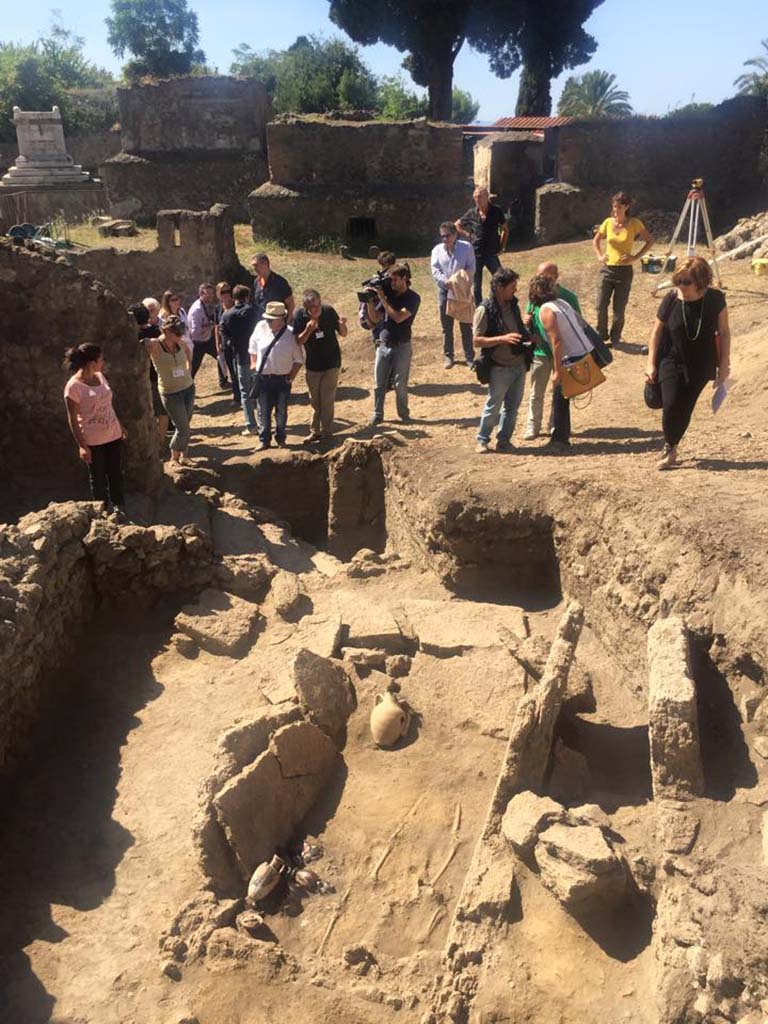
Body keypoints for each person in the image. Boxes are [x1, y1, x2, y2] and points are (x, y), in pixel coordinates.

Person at [645, 256, 730, 470]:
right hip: (671, 359)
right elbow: (656, 333)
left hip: (701, 363)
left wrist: (724, 364)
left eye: (686, 282)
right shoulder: (672, 299)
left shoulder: (715, 299)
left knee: (684, 408)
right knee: (670, 404)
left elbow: (724, 333)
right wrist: (650, 364)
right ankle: (670, 443)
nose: (681, 286)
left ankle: (671, 447)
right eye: (678, 281)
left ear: (700, 281)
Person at [531, 274, 597, 454]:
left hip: (570, 357)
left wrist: (557, 371)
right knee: (563, 398)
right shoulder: (562, 303)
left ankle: (560, 440)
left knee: (560, 397)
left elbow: (557, 341)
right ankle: (561, 436)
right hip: (581, 352)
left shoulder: (546, 310)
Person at [63, 343, 126, 514]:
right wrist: (82, 445)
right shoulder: (73, 387)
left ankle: (119, 505)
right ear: (92, 363)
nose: (103, 362)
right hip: (93, 440)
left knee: (115, 472)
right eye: (101, 360)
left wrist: (119, 425)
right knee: (98, 478)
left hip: (113, 434)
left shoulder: (100, 377)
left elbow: (108, 404)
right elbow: (73, 419)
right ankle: (103, 509)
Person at [473, 268, 529, 454]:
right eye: (512, 286)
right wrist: (502, 339)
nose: (515, 290)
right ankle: (482, 439)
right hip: (499, 367)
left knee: (512, 408)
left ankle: (504, 441)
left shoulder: (512, 304)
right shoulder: (484, 309)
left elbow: (518, 328)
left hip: (518, 365)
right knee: (493, 405)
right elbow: (476, 340)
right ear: (499, 287)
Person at [523, 262, 581, 440]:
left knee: (561, 392)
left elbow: (577, 323)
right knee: (536, 392)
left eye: (545, 277)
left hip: (562, 353)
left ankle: (555, 424)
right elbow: (528, 321)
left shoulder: (568, 297)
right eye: (538, 275)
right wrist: (526, 321)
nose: (540, 279)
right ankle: (533, 425)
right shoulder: (535, 295)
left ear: (556, 277)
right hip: (540, 352)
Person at [593, 191, 653, 346]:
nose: (615, 210)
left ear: (627, 207)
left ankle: (615, 338)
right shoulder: (607, 222)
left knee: (618, 310)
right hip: (607, 269)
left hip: (624, 272)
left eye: (619, 207)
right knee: (600, 306)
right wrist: (600, 255)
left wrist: (635, 257)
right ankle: (601, 335)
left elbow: (650, 241)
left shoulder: (634, 223)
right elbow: (596, 240)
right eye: (614, 206)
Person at [366, 265, 421, 426]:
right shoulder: (389, 294)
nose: (392, 283)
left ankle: (404, 414)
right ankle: (377, 414)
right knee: (379, 383)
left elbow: (398, 317)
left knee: (400, 384)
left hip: (402, 346)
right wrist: (370, 301)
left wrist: (382, 298)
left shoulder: (413, 298)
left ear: (405, 279)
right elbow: (375, 319)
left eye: (395, 280)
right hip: (383, 344)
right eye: (391, 280)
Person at [248, 301, 305, 450]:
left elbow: (299, 359)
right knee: (263, 412)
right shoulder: (260, 328)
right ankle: (264, 440)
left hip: (282, 379)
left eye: (271, 319)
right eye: (267, 319)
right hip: (264, 379)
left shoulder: (291, 335)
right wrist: (253, 364)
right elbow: (252, 347)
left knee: (281, 412)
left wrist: (291, 377)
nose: (268, 322)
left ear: (281, 319)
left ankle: (281, 439)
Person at [294, 288, 347, 443]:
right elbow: (298, 341)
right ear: (305, 307)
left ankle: (326, 431)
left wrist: (342, 324)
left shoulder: (329, 311)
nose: (315, 310)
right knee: (315, 400)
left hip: (332, 362)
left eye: (317, 306)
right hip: (312, 365)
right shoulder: (300, 316)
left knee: (327, 399)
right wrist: (308, 329)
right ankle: (315, 431)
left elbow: (343, 333)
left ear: (320, 302)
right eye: (310, 307)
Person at [145, 314, 195, 464]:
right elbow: (139, 346)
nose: (180, 336)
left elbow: (188, 354)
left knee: (186, 424)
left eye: (181, 332)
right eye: (177, 333)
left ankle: (184, 456)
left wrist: (188, 371)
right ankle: (174, 457)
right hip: (170, 392)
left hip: (188, 388)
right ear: (166, 331)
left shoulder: (182, 343)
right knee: (182, 427)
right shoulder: (155, 345)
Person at [430, 221, 476, 369]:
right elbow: (435, 270)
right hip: (445, 291)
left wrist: (460, 282)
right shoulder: (437, 250)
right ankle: (449, 356)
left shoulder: (466, 247)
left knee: (465, 325)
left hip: (462, 290)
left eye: (447, 236)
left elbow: (471, 267)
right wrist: (446, 282)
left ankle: (469, 357)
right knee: (446, 326)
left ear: (455, 234)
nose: (444, 239)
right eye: (442, 236)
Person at [456, 186, 508, 304]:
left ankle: (497, 303)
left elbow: (505, 229)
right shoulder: (472, 213)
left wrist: (502, 246)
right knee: (476, 286)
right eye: (475, 197)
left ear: (487, 197)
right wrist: (468, 234)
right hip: (476, 254)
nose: (477, 200)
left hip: (491, 253)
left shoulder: (496, 211)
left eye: (480, 197)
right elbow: (457, 224)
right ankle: (480, 309)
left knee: (501, 279)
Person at [220, 284, 259, 436]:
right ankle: (263, 423)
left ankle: (251, 425)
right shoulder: (254, 312)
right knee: (258, 390)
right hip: (257, 356)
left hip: (240, 356)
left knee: (245, 392)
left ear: (233, 298)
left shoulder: (226, 315)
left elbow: (225, 341)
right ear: (247, 296)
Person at [131, 302, 167, 444]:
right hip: (158, 375)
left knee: (146, 412)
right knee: (162, 411)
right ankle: (161, 441)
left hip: (140, 379)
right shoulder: (157, 331)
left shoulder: (134, 336)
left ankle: (150, 441)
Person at [188, 282, 228, 388]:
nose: (211, 296)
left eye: (212, 293)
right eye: (208, 293)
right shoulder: (197, 310)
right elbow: (194, 332)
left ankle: (223, 381)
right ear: (201, 293)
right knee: (194, 367)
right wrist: (210, 327)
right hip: (197, 343)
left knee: (220, 357)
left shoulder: (205, 305)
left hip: (207, 339)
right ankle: (186, 387)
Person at [251, 253, 295, 323]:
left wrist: (287, 321)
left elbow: (290, 304)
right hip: (262, 321)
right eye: (253, 266)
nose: (254, 269)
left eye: (256, 265)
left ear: (265, 264)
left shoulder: (279, 282)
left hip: (278, 322)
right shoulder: (256, 282)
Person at [214, 282, 238, 403]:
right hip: (225, 344)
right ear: (218, 294)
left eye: (228, 291)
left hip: (238, 342)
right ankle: (237, 396)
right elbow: (217, 327)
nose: (226, 294)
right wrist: (217, 344)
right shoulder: (218, 308)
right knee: (232, 371)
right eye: (223, 292)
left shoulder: (236, 305)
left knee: (241, 370)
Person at [159, 290, 192, 355]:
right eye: (172, 300)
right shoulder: (163, 317)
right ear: (167, 302)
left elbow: (187, 326)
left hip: (188, 343)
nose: (176, 302)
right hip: (176, 346)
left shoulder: (181, 311)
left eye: (176, 299)